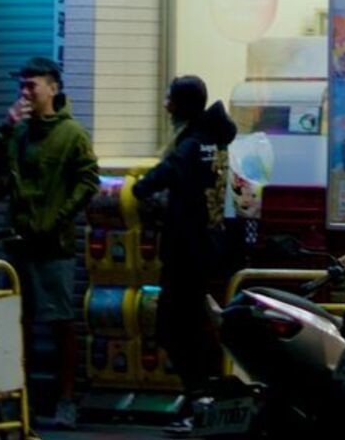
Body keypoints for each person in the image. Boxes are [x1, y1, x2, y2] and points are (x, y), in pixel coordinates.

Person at [0, 57, 98, 431]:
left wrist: (57, 219)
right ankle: (18, 399)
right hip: (17, 243)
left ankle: (66, 399)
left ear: (53, 88)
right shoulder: (18, 132)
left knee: (61, 322)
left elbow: (88, 181)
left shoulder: (72, 135)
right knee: (18, 324)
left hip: (54, 246)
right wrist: (5, 126)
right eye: (22, 86)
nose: (25, 93)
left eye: (32, 86)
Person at [133, 75, 237, 436]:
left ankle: (200, 402)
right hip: (207, 250)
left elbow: (152, 181)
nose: (165, 105)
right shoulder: (213, 142)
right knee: (194, 328)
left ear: (184, 105)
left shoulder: (191, 146)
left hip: (185, 254)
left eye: (169, 99)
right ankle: (203, 400)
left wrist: (141, 189)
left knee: (173, 329)